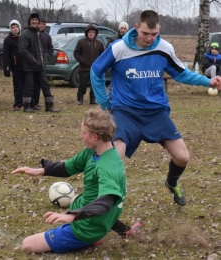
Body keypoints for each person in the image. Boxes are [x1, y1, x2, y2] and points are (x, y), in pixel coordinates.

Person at [90, 10, 221, 207]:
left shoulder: (164, 47)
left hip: (155, 112)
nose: (150, 38)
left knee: (182, 157)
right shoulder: (118, 48)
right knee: (116, 156)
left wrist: (208, 81)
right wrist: (106, 104)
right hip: (125, 111)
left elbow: (181, 74)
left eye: (154, 34)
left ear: (159, 30)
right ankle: (102, 204)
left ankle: (172, 182)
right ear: (137, 28)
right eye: (145, 34)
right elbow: (96, 71)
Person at [11, 108, 141, 254]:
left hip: (89, 227)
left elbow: (106, 201)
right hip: (102, 217)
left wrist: (72, 216)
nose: (81, 136)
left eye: (84, 133)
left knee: (27, 245)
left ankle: (88, 239)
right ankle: (125, 231)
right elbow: (68, 167)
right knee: (74, 200)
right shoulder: (96, 151)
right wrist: (40, 171)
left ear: (95, 137)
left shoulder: (107, 166)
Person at [18, 13, 59, 113]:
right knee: (29, 86)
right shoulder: (25, 34)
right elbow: (22, 50)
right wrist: (33, 60)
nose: (35, 21)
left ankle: (49, 106)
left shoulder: (40, 34)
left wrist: (43, 59)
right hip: (29, 66)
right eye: (33, 19)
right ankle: (27, 106)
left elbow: (45, 49)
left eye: (36, 19)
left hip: (40, 66)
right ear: (29, 21)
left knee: (45, 85)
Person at [74, 24, 104, 105]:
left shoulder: (99, 43)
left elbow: (102, 55)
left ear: (95, 34)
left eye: (93, 32)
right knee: (82, 85)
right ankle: (80, 99)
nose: (91, 33)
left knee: (94, 85)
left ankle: (92, 99)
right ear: (87, 33)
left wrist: (99, 64)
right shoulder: (81, 42)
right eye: (90, 32)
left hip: (95, 69)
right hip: (83, 68)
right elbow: (76, 53)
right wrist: (82, 60)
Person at [31, 17, 54, 111]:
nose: (42, 25)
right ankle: (33, 103)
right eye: (41, 23)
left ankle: (49, 105)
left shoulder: (47, 36)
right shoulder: (32, 34)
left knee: (44, 84)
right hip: (32, 64)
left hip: (42, 64)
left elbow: (50, 49)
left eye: (44, 24)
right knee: (33, 85)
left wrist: (45, 57)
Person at [3, 20, 24, 111]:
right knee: (17, 85)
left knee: (28, 84)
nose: (15, 29)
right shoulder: (8, 39)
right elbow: (6, 55)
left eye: (16, 27)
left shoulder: (24, 37)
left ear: (19, 27)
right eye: (13, 27)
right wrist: (6, 68)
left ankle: (29, 102)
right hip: (15, 65)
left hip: (26, 65)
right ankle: (18, 103)